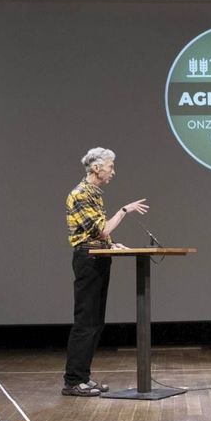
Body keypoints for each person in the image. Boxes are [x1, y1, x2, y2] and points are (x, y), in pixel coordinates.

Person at [62, 147, 148, 397]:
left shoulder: (94, 193)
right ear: (97, 168)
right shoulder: (80, 194)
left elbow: (98, 235)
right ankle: (73, 380)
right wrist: (124, 210)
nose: (113, 171)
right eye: (111, 166)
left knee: (96, 322)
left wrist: (111, 245)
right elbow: (100, 230)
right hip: (88, 260)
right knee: (85, 320)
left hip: (98, 256)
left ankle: (83, 378)